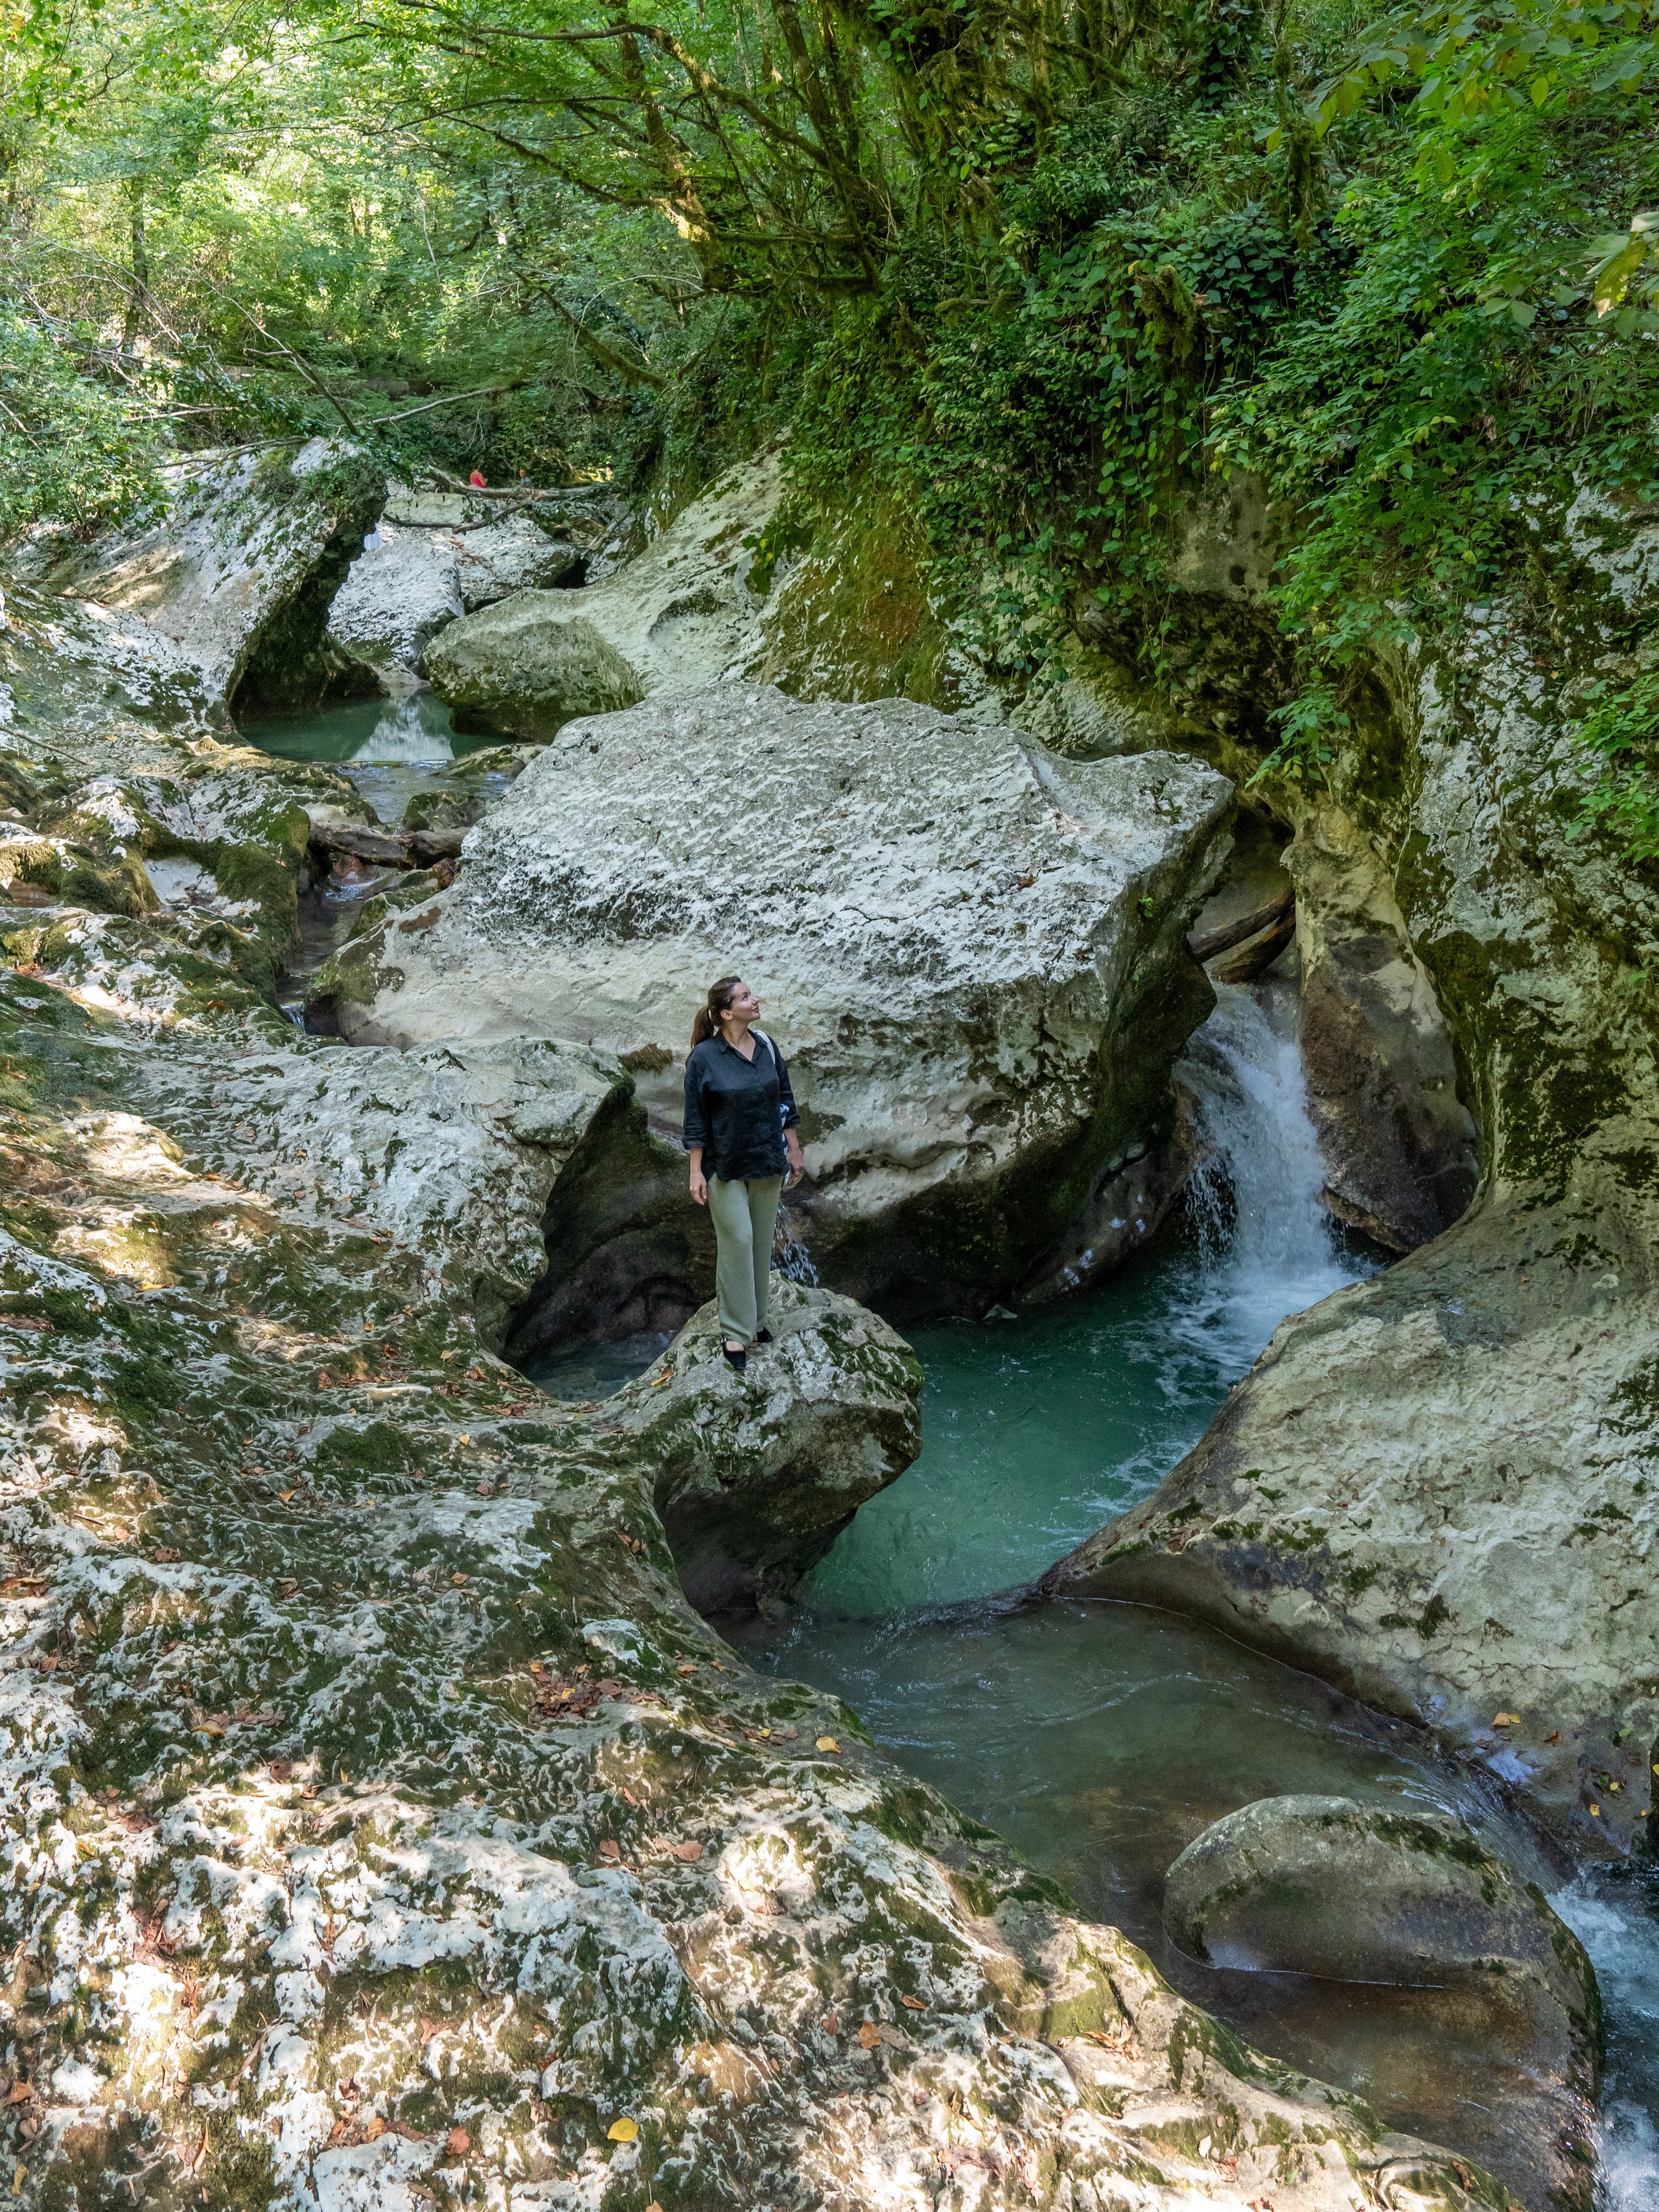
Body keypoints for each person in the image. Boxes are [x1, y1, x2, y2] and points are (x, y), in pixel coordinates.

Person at [682, 975, 804, 1373]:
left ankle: (757, 1322)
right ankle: (736, 1331)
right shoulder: (704, 1057)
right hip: (725, 1165)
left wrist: (795, 1149)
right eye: (745, 997)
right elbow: (696, 1119)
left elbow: (785, 1098)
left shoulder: (767, 1045)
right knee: (738, 1238)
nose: (755, 1001)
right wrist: (696, 1171)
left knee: (759, 1241)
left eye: (751, 994)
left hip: (767, 1160)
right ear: (725, 1013)